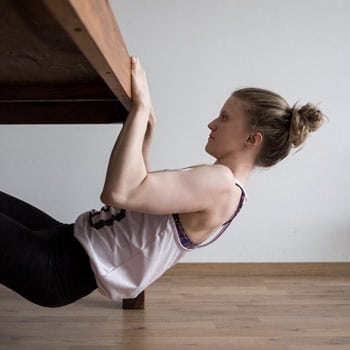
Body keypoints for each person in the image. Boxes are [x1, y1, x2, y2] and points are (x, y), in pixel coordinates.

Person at [0, 57, 324, 307]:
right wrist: (144, 140)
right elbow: (138, 201)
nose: (212, 123)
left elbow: (119, 192)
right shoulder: (222, 185)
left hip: (59, 268)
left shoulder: (221, 185)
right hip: (67, 239)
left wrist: (140, 109)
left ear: (252, 139)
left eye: (225, 117)